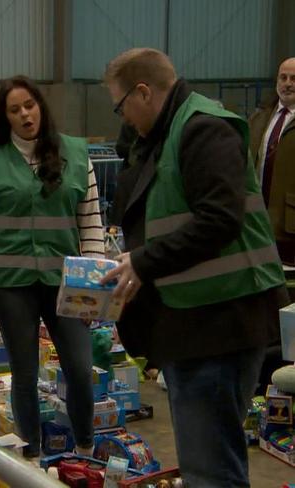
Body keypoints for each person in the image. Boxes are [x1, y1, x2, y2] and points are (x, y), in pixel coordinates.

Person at [101, 48, 288, 487]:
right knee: (204, 462)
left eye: (120, 105)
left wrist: (143, 262)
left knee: (211, 469)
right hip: (192, 320)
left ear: (143, 92)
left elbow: (219, 218)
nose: (122, 117)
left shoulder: (204, 128)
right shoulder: (163, 137)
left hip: (221, 322)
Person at [0, 75, 104, 459]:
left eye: (29, 105)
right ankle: (30, 458)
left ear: (41, 107)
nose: (24, 115)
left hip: (68, 283)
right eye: (14, 109)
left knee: (81, 370)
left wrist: (98, 281)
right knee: (25, 373)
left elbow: (91, 223)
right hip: (11, 285)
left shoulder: (77, 156)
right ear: (5, 118)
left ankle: (85, 448)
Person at [250, 57, 295, 264]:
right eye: (283, 78)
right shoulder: (259, 119)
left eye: (294, 79)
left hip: (289, 224)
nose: (287, 83)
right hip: (256, 219)